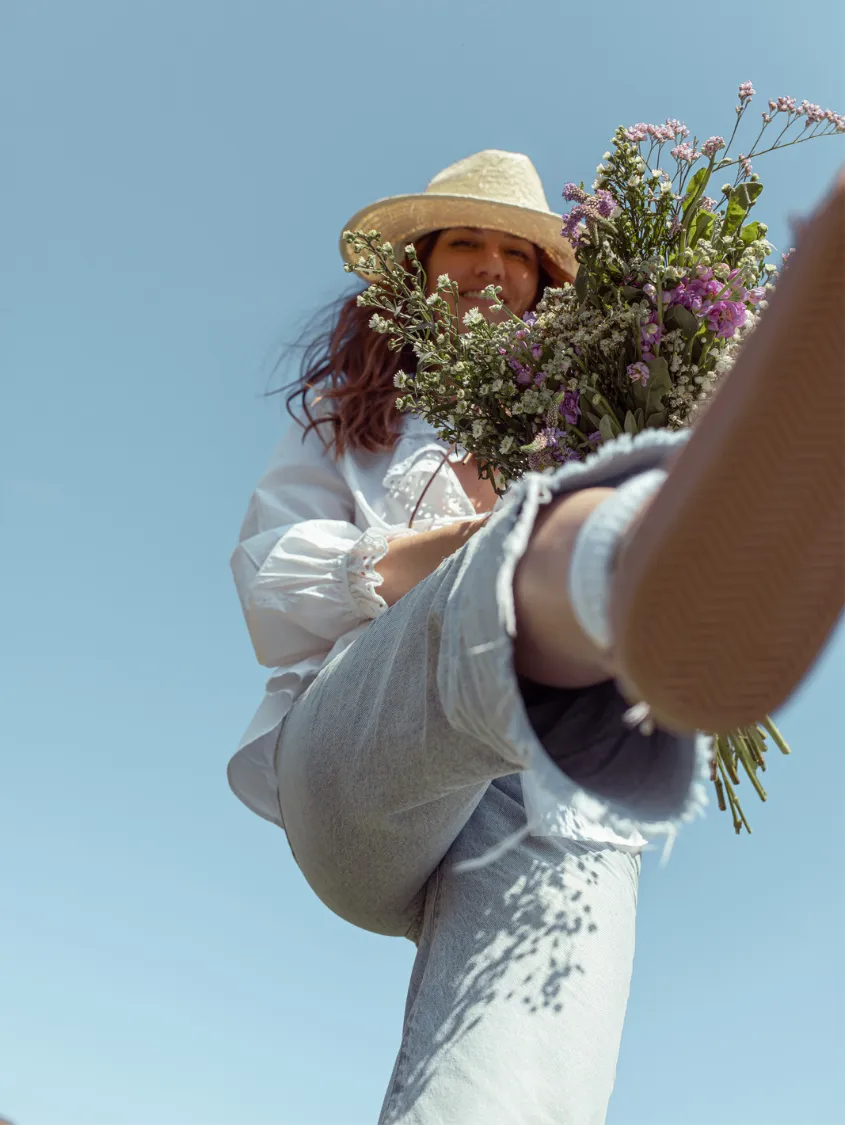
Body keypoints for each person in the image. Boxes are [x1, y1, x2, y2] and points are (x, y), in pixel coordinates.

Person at [228, 150, 844, 1124]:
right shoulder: (359, 423)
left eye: (513, 252)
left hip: (536, 784)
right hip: (359, 764)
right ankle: (616, 560)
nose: (485, 265)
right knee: (525, 559)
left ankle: (635, 572)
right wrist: (463, 548)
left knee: (524, 1043)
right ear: (418, 268)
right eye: (461, 242)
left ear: (544, 281)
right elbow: (269, 575)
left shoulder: (577, 411)